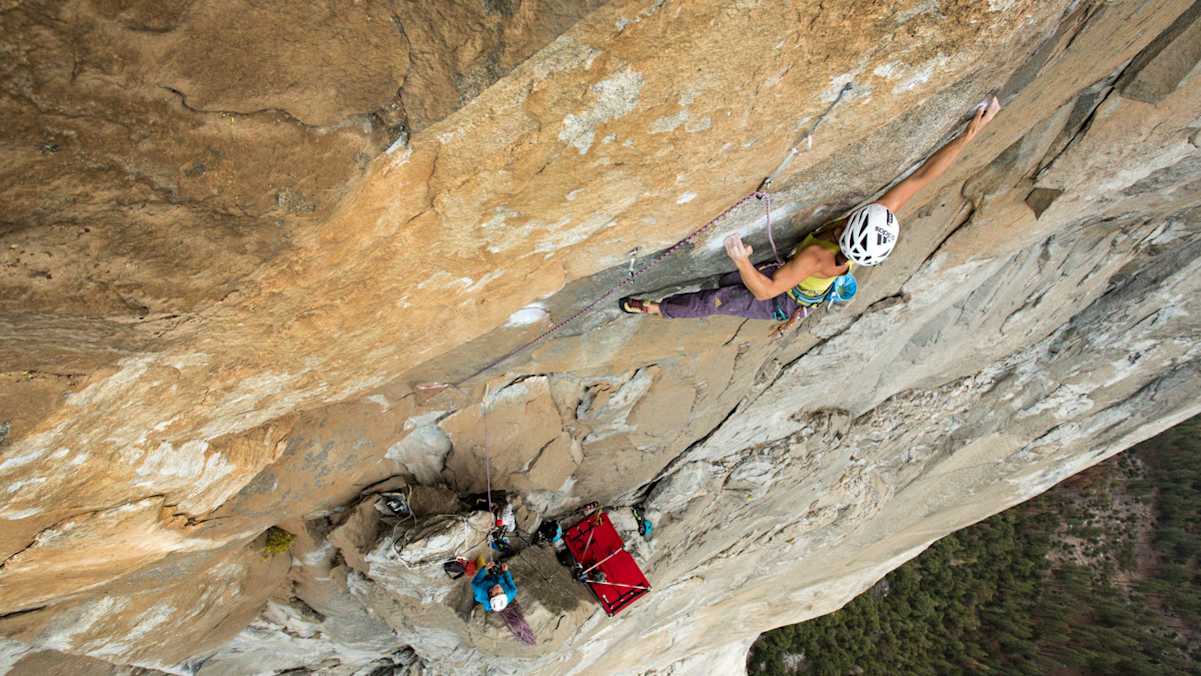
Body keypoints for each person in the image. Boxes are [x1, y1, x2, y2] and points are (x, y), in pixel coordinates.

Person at [620, 97, 1002, 320]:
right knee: (726, 285)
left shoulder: (819, 257)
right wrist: (971, 134)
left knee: (717, 300)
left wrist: (741, 260)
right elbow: (922, 179)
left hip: (783, 300)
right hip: (797, 286)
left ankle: (656, 309)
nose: (853, 214)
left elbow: (768, 291)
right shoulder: (874, 220)